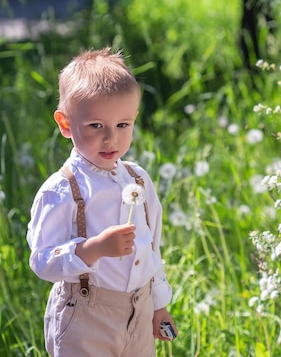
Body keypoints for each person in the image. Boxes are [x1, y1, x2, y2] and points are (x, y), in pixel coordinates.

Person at [27, 47, 177, 357]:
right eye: (96, 126)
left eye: (123, 125)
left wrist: (158, 306)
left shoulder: (139, 180)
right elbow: (42, 260)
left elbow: (152, 248)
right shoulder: (62, 189)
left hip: (139, 308)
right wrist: (92, 249)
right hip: (86, 317)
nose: (111, 139)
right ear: (66, 124)